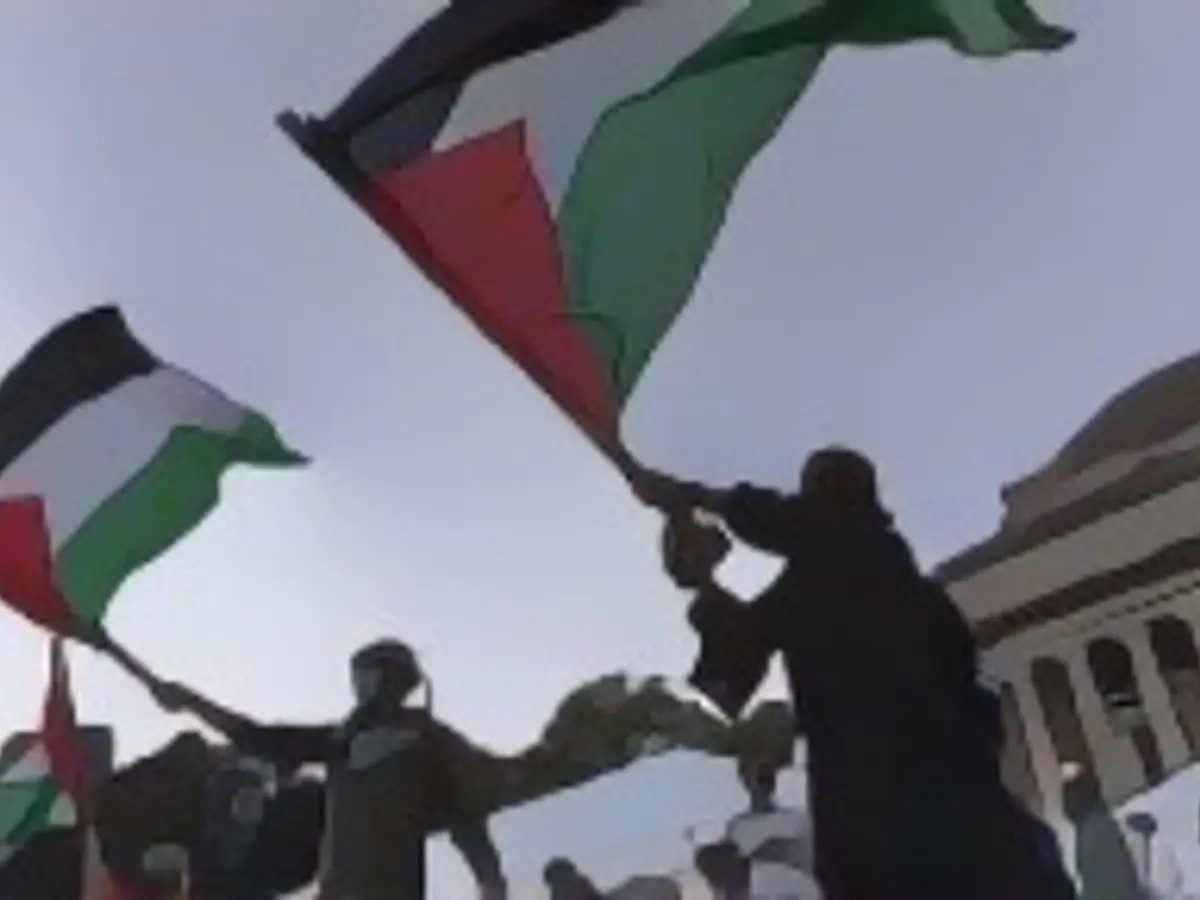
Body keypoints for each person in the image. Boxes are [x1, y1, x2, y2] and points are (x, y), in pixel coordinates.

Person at [633, 446, 1078, 900]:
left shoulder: (808, 588)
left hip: (872, 834)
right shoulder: (922, 597)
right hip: (968, 820)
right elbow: (982, 707)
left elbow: (727, 677)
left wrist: (703, 571)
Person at [149, 639, 507, 900]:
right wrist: (192, 702)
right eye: (358, 677)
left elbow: (463, 815)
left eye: (366, 676)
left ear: (391, 679)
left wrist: (490, 880)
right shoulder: (339, 741)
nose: (359, 686)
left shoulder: (427, 742)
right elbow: (258, 737)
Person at [725, 760, 819, 900]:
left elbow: (808, 860)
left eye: (763, 777)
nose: (758, 783)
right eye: (753, 776)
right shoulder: (736, 826)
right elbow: (735, 878)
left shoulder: (796, 820)